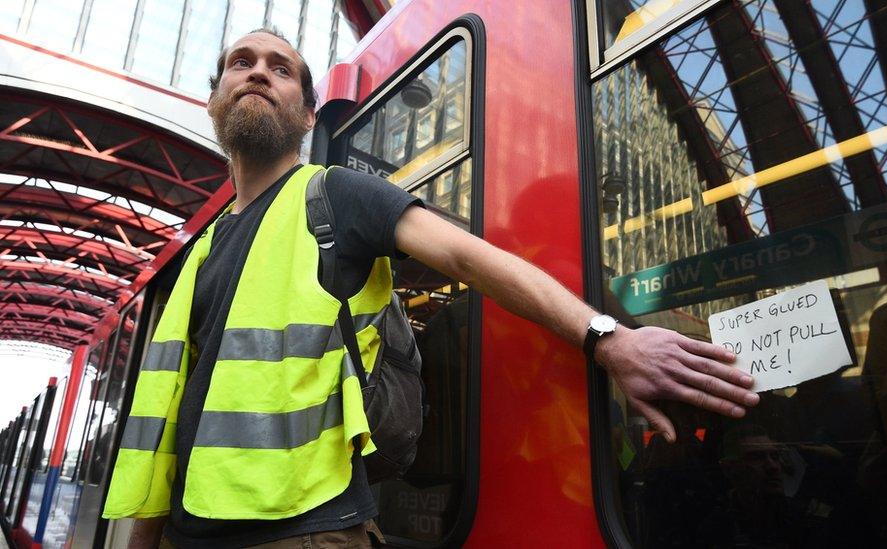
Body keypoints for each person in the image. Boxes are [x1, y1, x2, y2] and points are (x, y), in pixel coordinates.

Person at [106, 28, 759, 548]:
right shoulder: (204, 251)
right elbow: (174, 411)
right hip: (187, 532)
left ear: (308, 115)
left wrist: (605, 337)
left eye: (280, 68)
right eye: (240, 62)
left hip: (306, 530)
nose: (256, 71)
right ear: (215, 99)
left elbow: (472, 259)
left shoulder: (335, 194)